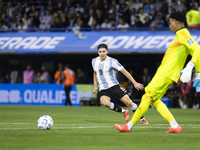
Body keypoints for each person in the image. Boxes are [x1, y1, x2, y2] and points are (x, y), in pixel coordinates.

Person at [114, 11, 200, 133]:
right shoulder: (181, 36)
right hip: (165, 73)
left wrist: (191, 67)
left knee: (146, 97)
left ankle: (129, 126)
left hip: (166, 73)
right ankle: (174, 125)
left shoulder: (183, 34)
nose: (169, 26)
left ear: (176, 22)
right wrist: (198, 73)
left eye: (170, 23)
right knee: (154, 99)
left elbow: (197, 49)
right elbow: (196, 52)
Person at [92, 43, 149, 124]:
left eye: (103, 51)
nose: (102, 53)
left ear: (107, 51)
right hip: (103, 88)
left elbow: (124, 72)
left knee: (129, 103)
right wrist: (95, 87)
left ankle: (142, 118)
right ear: (98, 52)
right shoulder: (94, 61)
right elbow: (95, 74)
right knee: (105, 103)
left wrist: (134, 83)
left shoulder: (112, 61)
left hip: (114, 86)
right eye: (100, 51)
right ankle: (124, 111)